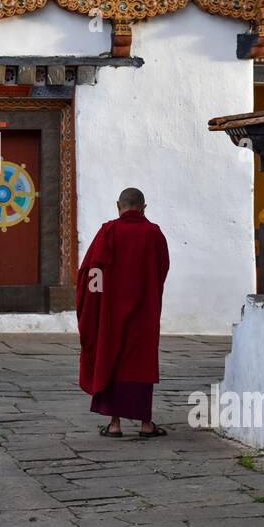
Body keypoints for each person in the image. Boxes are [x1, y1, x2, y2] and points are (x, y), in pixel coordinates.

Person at [76, 187, 171, 438]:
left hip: (110, 313)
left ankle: (115, 424)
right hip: (144, 311)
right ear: (144, 207)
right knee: (141, 363)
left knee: (112, 358)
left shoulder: (108, 232)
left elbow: (92, 271)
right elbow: (162, 270)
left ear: (119, 205)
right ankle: (145, 424)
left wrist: (97, 299)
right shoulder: (154, 234)